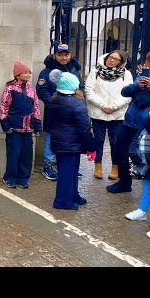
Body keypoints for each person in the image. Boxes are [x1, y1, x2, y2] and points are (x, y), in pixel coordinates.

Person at [107, 55, 150, 194]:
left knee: (147, 156)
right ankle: (124, 182)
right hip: (130, 120)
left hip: (149, 125)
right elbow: (125, 92)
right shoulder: (147, 75)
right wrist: (137, 86)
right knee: (121, 151)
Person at [45, 70, 96, 210]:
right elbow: (84, 129)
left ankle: (73, 195)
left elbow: (49, 123)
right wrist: (91, 146)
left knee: (70, 171)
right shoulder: (77, 104)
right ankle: (62, 201)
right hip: (70, 144)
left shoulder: (53, 100)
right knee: (67, 173)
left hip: (59, 142)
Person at [36, 43, 83, 181]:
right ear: (54, 55)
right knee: (51, 137)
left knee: (67, 137)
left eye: (66, 54)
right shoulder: (46, 72)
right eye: (60, 54)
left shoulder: (74, 69)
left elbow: (80, 88)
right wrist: (55, 103)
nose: (63, 57)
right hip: (54, 111)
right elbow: (41, 90)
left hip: (72, 110)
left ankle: (62, 165)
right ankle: (48, 166)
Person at [84, 50, 133, 180]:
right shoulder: (95, 72)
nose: (112, 60)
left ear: (121, 62)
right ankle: (98, 166)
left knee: (115, 141)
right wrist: (102, 106)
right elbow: (89, 91)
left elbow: (127, 95)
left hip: (117, 114)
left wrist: (112, 107)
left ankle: (115, 167)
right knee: (98, 140)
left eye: (116, 59)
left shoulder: (126, 75)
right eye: (111, 57)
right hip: (98, 112)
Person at [0, 61, 42, 189]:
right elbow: (3, 107)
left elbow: (36, 108)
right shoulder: (10, 89)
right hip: (14, 128)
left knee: (26, 155)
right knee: (13, 154)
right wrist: (5, 125)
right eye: (25, 72)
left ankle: (23, 178)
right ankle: (10, 177)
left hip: (28, 129)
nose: (28, 74)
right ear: (17, 75)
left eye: (29, 72)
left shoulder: (31, 90)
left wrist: (37, 126)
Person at [124, 102, 150, 239]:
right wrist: (134, 154)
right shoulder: (147, 125)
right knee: (148, 188)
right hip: (147, 162)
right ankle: (142, 210)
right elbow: (136, 139)